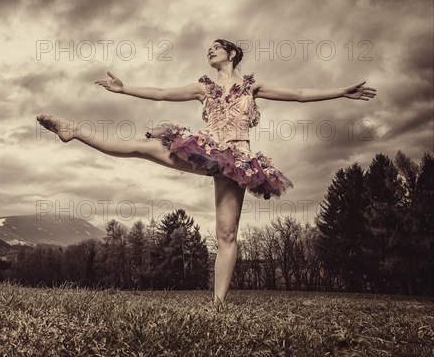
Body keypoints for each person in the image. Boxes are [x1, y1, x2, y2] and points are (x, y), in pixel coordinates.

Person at [36, 38, 376, 311]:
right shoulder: (203, 88)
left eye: (216, 47)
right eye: (207, 49)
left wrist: (340, 92)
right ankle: (74, 130)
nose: (210, 51)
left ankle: (217, 305)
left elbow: (300, 96)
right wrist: (124, 89)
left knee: (227, 234)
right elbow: (163, 93)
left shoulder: (251, 86)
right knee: (142, 147)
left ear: (231, 54)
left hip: (238, 160)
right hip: (204, 149)